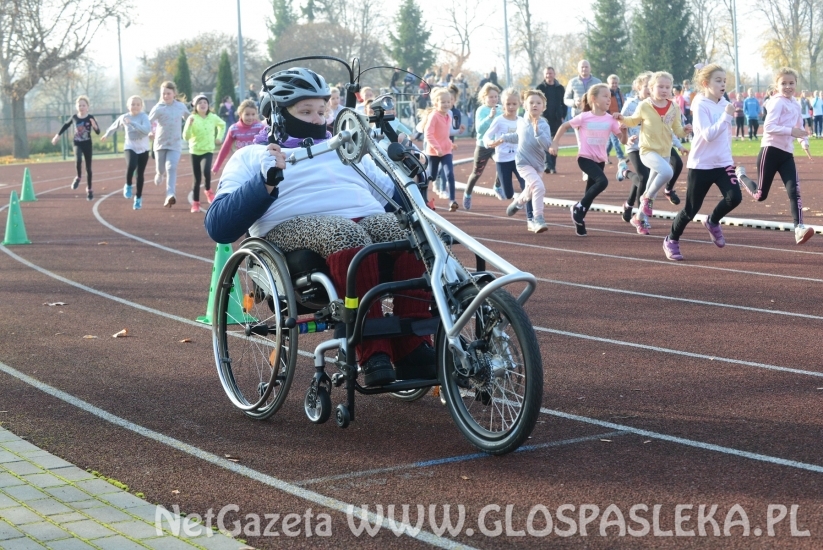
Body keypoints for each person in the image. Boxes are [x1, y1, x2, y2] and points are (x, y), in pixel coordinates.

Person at [204, 67, 434, 387]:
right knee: (345, 234)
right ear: (278, 113)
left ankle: (414, 348)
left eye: (321, 111)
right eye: (305, 111)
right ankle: (372, 353)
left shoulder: (345, 148)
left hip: (363, 215)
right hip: (288, 228)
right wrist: (264, 184)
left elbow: (394, 197)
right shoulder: (252, 155)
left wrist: (412, 184)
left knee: (409, 236)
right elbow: (218, 226)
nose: (316, 119)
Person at [662, 64, 743, 261]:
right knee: (691, 209)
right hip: (701, 165)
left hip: (723, 163)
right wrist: (726, 116)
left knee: (735, 197)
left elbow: (725, 135)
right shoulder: (700, 104)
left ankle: (713, 221)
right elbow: (708, 135)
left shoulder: (725, 102)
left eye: (724, 81)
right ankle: (671, 239)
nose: (723, 84)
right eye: (718, 80)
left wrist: (729, 158)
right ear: (706, 83)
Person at [735, 67, 815, 245]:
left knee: (795, 190)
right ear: (776, 85)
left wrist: (804, 143)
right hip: (770, 151)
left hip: (787, 154)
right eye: (783, 83)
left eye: (791, 83)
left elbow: (799, 128)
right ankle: (740, 176)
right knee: (760, 195)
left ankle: (799, 228)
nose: (788, 86)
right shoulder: (777, 102)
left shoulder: (795, 103)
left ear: (796, 84)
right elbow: (769, 127)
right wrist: (791, 131)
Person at [550, 84, 626, 236]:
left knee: (589, 194)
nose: (608, 99)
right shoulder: (584, 117)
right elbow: (564, 126)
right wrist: (555, 142)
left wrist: (624, 128)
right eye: (604, 96)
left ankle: (579, 220)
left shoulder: (611, 119)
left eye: (609, 96)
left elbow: (623, 140)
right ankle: (578, 207)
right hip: (585, 158)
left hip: (600, 160)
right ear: (593, 99)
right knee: (602, 182)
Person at [620, 71, 692, 219]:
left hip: (664, 151)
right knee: (667, 173)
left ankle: (639, 218)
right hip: (647, 150)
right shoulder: (644, 105)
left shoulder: (674, 107)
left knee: (651, 183)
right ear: (651, 88)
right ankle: (646, 199)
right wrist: (621, 118)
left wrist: (684, 131)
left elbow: (676, 129)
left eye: (667, 87)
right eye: (660, 87)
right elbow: (633, 121)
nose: (664, 90)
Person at [502, 89, 552, 233]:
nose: (534, 105)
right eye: (531, 102)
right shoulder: (521, 122)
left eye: (538, 103)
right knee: (538, 187)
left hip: (538, 164)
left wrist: (538, 133)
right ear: (524, 105)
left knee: (530, 190)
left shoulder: (544, 125)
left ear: (543, 107)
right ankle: (538, 218)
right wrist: (503, 138)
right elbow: (518, 136)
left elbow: (547, 146)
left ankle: (519, 202)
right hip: (523, 162)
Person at [483, 88, 533, 227]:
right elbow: (487, 135)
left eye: (514, 104)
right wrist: (489, 143)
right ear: (503, 104)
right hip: (503, 160)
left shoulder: (522, 121)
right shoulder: (499, 120)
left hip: (520, 159)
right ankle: (516, 200)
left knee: (527, 187)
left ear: (519, 104)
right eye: (508, 104)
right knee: (508, 193)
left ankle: (531, 219)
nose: (511, 107)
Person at [100, 95, 151, 210]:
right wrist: (107, 134)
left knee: (140, 175)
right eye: (133, 104)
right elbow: (114, 126)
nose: (135, 106)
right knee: (131, 165)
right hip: (130, 146)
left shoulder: (144, 117)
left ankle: (138, 198)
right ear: (128, 106)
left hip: (143, 148)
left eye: (138, 104)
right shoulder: (124, 117)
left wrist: (132, 123)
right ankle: (128, 184)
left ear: (141, 106)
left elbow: (146, 130)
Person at [148, 81, 190, 207]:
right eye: (163, 94)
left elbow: (190, 118)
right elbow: (147, 122)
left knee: (171, 167)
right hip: (160, 144)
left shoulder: (181, 106)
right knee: (161, 169)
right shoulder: (158, 108)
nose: (166, 96)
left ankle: (170, 194)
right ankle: (159, 174)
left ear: (174, 94)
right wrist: (150, 132)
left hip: (175, 144)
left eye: (168, 93)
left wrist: (194, 122)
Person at [462, 83, 503, 209]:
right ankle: (467, 194)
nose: (494, 99)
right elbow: (479, 129)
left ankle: (497, 186)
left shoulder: (501, 108)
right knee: (476, 173)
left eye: (496, 96)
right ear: (484, 97)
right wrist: (490, 117)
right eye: (491, 97)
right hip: (483, 146)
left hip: (497, 145)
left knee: (503, 164)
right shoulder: (481, 110)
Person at [183, 94, 225, 213]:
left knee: (206, 171)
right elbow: (186, 137)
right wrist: (189, 125)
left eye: (205, 103)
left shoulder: (213, 117)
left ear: (208, 105)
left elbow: (222, 125)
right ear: (195, 106)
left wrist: (219, 137)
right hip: (195, 151)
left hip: (208, 150)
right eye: (200, 103)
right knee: (196, 179)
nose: (202, 105)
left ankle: (208, 190)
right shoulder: (192, 118)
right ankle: (195, 203)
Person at [51, 95, 100, 200]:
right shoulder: (74, 117)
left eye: (83, 105)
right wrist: (57, 136)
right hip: (77, 143)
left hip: (87, 144)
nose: (81, 107)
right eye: (79, 105)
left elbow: (98, 132)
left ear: (87, 107)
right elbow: (65, 126)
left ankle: (89, 189)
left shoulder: (90, 117)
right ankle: (78, 177)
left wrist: (95, 126)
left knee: (88, 168)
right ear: (76, 106)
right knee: (78, 160)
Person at [213, 99, 266, 186]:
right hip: (242, 164)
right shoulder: (234, 129)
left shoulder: (260, 127)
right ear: (240, 114)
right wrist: (217, 165)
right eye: (247, 114)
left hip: (257, 163)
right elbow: (226, 148)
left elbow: (267, 145)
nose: (250, 117)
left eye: (253, 114)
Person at [424, 87, 458, 211]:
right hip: (433, 152)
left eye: (448, 102)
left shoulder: (448, 115)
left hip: (446, 151)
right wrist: (437, 148)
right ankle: (422, 197)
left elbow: (444, 134)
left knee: (450, 174)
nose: (446, 104)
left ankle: (452, 201)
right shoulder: (434, 116)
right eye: (443, 102)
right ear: (436, 103)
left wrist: (450, 144)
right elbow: (428, 134)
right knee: (431, 176)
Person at [536, 66, 566, 174]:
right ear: (544, 75)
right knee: (545, 142)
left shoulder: (560, 88)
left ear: (554, 74)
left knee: (554, 142)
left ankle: (553, 165)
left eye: (551, 73)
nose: (549, 75)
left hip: (556, 119)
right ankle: (548, 164)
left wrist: (563, 115)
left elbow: (564, 103)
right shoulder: (540, 88)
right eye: (547, 73)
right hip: (544, 118)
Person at [605, 74, 627, 167]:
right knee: (615, 138)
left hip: (619, 117)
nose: (614, 85)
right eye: (612, 83)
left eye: (616, 83)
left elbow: (622, 104)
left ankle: (604, 155)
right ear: (608, 83)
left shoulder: (619, 92)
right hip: (611, 117)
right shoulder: (607, 94)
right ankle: (620, 156)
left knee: (611, 140)